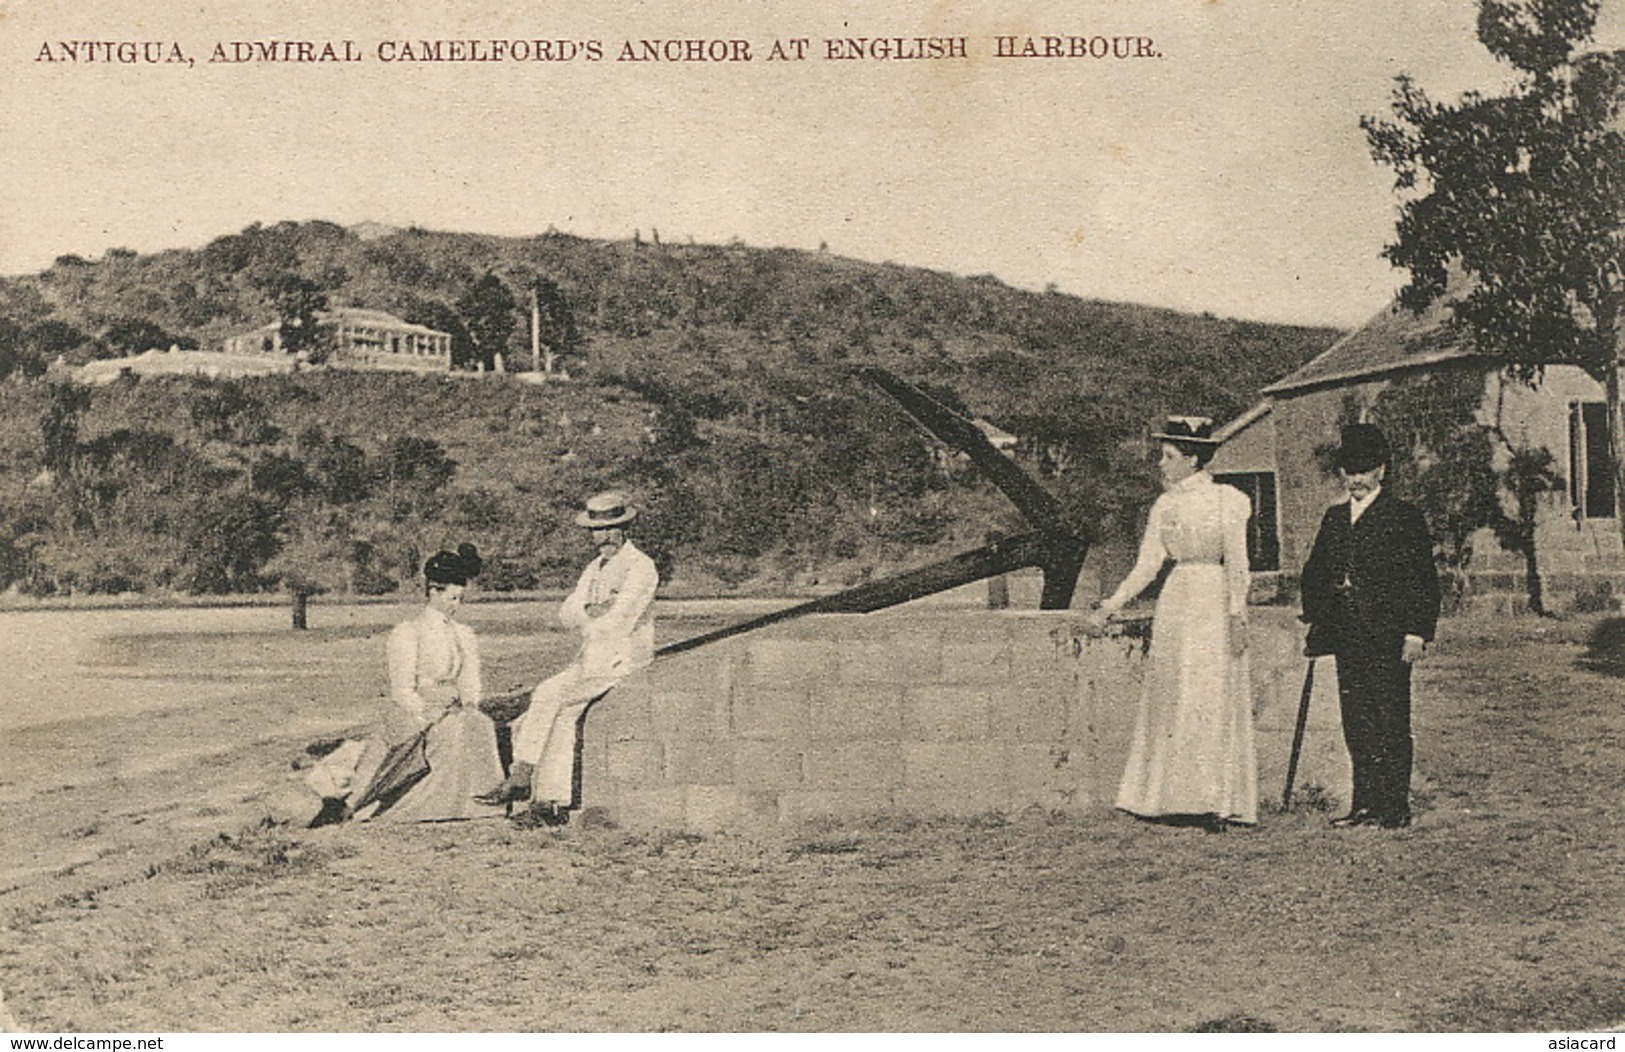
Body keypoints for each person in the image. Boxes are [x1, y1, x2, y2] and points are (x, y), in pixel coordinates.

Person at [1085, 416, 1257, 832]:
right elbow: (1148, 564)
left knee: (1208, 693)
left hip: (1213, 600)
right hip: (1178, 600)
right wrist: (1111, 605)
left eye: (1169, 457)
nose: (1161, 464)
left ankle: (1213, 800)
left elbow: (1238, 563)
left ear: (1193, 459)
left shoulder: (1227, 500)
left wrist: (1237, 615)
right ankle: (1172, 798)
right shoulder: (1165, 505)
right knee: (1174, 691)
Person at [476, 491, 659, 826]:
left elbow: (619, 622)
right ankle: (546, 802)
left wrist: (590, 614)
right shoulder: (595, 568)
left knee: (551, 697)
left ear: (624, 528)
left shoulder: (641, 567)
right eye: (594, 531)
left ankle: (524, 778)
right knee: (557, 708)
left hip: (624, 662)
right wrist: (593, 610)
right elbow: (566, 613)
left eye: (608, 530)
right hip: (591, 661)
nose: (600, 538)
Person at [1301, 423, 1439, 830]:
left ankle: (1394, 806)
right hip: (1348, 637)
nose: (1356, 479)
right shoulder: (1335, 518)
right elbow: (1314, 573)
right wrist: (1318, 615)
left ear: (1381, 470)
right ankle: (1364, 804)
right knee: (1357, 720)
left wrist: (1417, 633)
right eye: (1350, 470)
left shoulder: (1403, 517)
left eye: (1364, 470)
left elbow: (1423, 581)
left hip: (1390, 638)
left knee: (1391, 719)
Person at [308, 543, 505, 824]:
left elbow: (470, 678)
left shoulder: (463, 633)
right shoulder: (409, 632)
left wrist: (470, 703)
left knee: (478, 724)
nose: (456, 605)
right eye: (451, 598)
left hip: (452, 708)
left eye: (461, 598)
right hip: (414, 709)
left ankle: (477, 803)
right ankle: (386, 802)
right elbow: (402, 689)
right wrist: (426, 712)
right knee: (443, 732)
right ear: (433, 591)